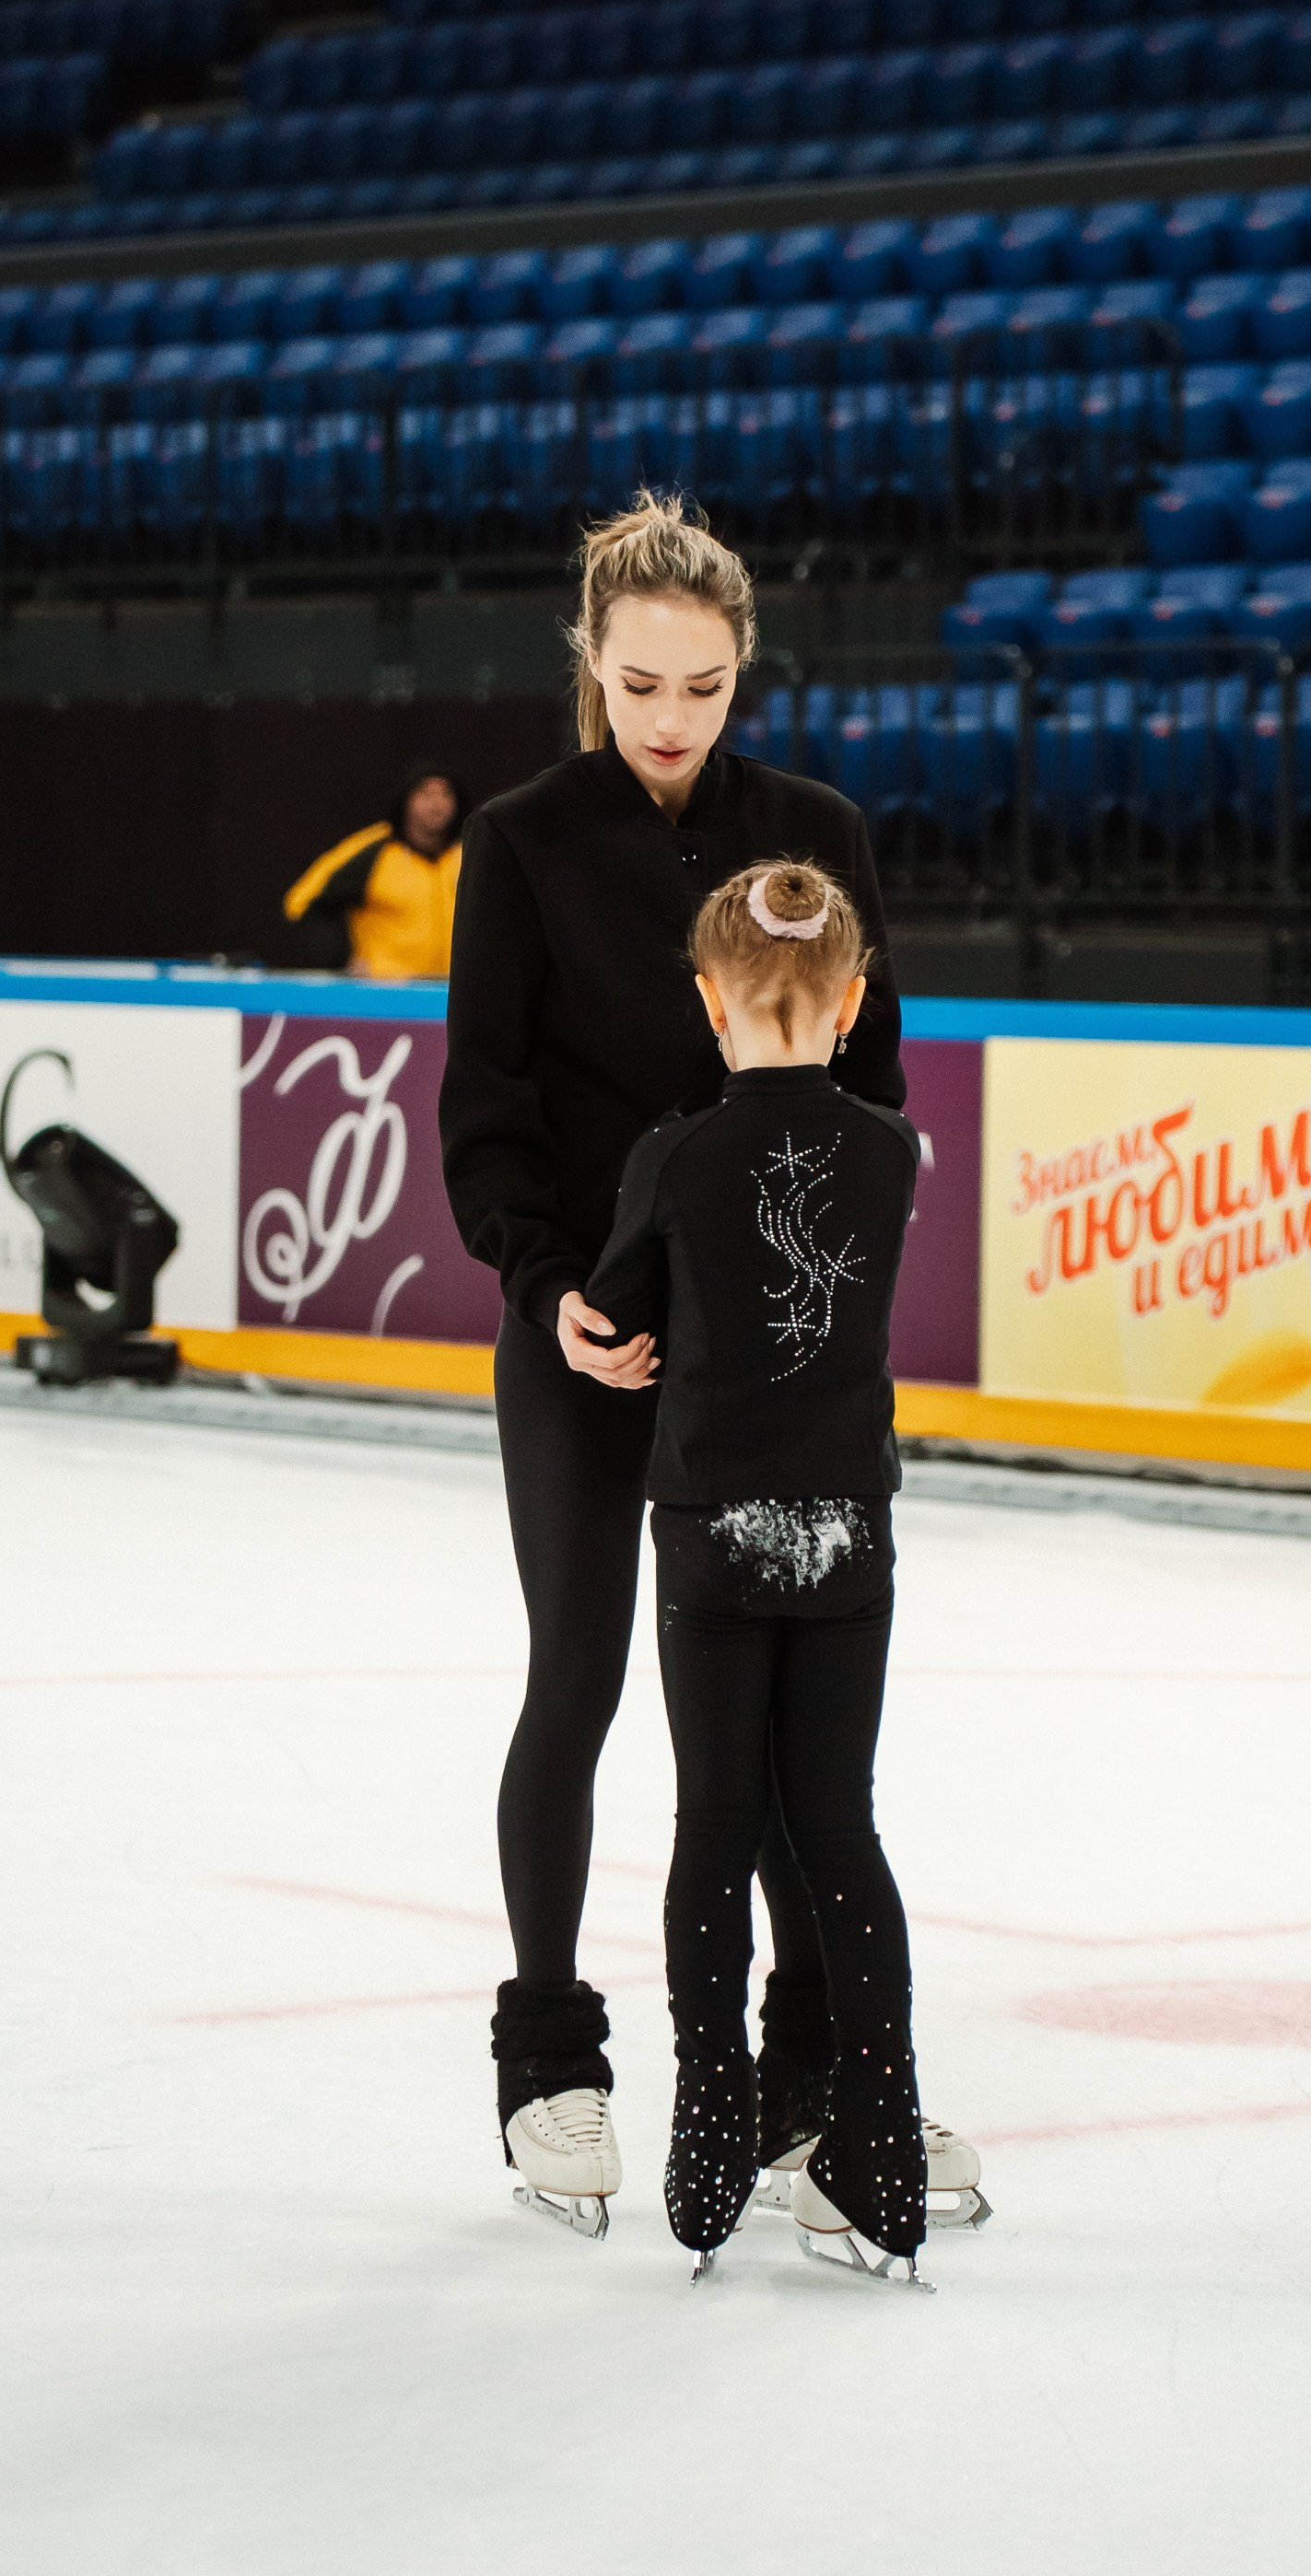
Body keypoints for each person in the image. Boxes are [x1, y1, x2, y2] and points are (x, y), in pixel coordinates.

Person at [439, 492, 982, 2239]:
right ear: (591, 663)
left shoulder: (812, 831)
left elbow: (873, 1079)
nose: (674, 717)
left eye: (707, 684)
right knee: (580, 1682)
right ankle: (552, 2061)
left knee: (793, 1747)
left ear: (745, 669)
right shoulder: (519, 843)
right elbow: (486, 1119)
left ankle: (814, 2097)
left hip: (768, 1370)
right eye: (644, 681)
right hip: (597, 1347)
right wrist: (548, 1296)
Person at [585, 858, 932, 2286]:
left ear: (709, 1001)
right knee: (836, 1825)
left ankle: (715, 2107)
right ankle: (879, 2130)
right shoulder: (894, 1149)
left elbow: (616, 1309)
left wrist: (605, 1322)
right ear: (850, 1003)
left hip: (716, 1532)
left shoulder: (675, 1152)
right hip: (847, 1530)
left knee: (718, 1820)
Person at [283, 761, 466, 979]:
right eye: (425, 794)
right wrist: (341, 959)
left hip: (451, 993)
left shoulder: (468, 853)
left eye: (445, 794)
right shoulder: (375, 850)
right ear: (406, 799)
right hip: (385, 993)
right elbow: (303, 901)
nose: (436, 804)